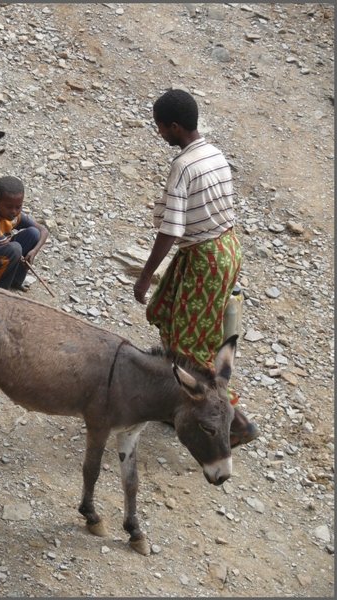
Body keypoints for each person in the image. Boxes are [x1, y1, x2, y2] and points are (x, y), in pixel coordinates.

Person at [133, 88, 259, 448]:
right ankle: (178, 402)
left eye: (160, 127)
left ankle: (234, 423)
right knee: (165, 312)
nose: (159, 134)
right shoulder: (213, 153)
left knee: (192, 348)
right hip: (220, 249)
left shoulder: (184, 165)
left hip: (206, 259)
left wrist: (145, 276)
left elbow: (171, 229)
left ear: (174, 126)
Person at [0, 175, 49, 290]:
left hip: (4, 255)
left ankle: (15, 281)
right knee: (15, 249)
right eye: (9, 207)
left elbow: (43, 231)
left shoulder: (15, 217)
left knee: (33, 234)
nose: (14, 211)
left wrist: (34, 251)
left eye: (18, 207)